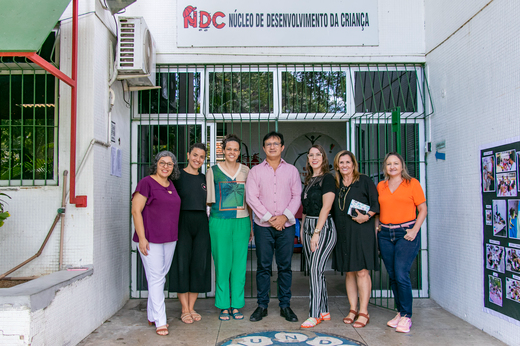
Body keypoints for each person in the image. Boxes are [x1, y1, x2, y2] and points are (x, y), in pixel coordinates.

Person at [246, 131, 302, 323]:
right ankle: (262, 305)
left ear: (282, 147)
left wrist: (283, 217)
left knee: (285, 266)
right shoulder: (255, 172)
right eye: (268, 144)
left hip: (285, 226)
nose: (272, 147)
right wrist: (271, 218)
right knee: (263, 266)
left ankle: (285, 305)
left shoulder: (292, 171)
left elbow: (297, 196)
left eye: (276, 143)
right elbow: (252, 198)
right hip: (263, 226)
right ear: (263, 148)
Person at [131, 151, 181, 336]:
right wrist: (142, 238)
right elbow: (136, 211)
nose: (166, 166)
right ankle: (161, 320)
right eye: (162, 163)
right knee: (157, 278)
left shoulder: (171, 185)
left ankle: (152, 315)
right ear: (156, 164)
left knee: (159, 277)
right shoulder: (146, 183)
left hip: (169, 238)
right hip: (150, 239)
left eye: (170, 164)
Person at [377, 152, 427, 333]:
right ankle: (399, 312)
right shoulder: (381, 186)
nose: (392, 167)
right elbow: (378, 210)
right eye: (389, 164)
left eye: (396, 163)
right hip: (385, 234)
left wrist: (414, 230)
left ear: (402, 166)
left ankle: (406, 316)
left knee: (401, 273)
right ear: (385, 167)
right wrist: (377, 228)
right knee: (392, 275)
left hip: (405, 233)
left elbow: (423, 209)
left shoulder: (412, 184)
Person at [331, 150, 379, 328]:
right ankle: (352, 308)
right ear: (337, 165)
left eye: (347, 162)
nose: (344, 165)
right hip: (343, 232)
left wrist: (366, 217)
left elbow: (375, 204)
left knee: (362, 271)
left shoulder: (364, 181)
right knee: (349, 271)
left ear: (353, 164)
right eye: (341, 162)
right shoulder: (336, 184)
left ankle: (363, 311)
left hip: (362, 231)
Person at [206, 134, 251, 321]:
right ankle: (224, 305)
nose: (232, 152)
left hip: (242, 221)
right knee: (222, 264)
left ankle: (236, 304)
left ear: (239, 152)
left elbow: (250, 200)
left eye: (235, 149)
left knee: (239, 265)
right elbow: (209, 201)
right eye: (229, 149)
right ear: (223, 151)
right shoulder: (213, 171)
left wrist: (252, 225)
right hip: (219, 221)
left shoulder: (247, 171)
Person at [170, 143, 211, 324]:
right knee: (181, 263)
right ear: (188, 155)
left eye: (201, 157)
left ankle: (192, 306)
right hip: (182, 222)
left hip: (202, 222)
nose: (197, 159)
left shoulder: (204, 178)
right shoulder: (177, 176)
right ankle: (184, 309)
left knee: (198, 263)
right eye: (195, 155)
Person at [299, 145, 337, 328]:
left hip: (323, 227)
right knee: (316, 271)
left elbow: (326, 207)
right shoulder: (309, 180)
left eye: (318, 155)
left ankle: (314, 314)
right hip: (307, 226)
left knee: (315, 270)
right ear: (308, 158)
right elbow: (306, 208)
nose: (314, 158)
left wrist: (316, 232)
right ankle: (324, 310)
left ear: (324, 157)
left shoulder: (328, 178)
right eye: (311, 155)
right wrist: (302, 229)